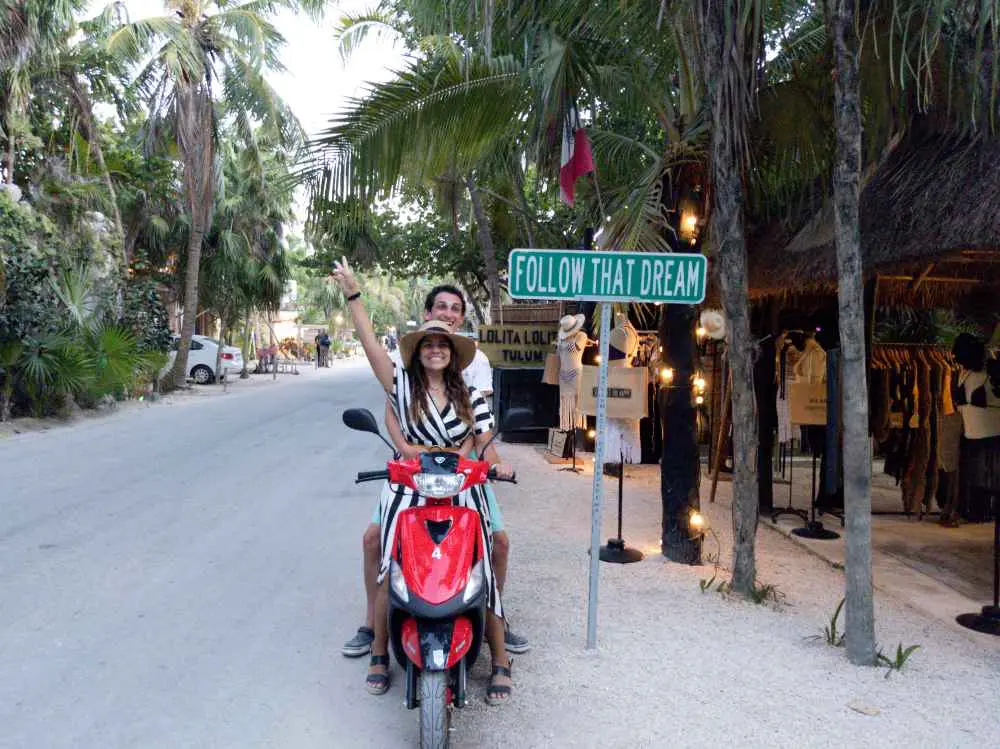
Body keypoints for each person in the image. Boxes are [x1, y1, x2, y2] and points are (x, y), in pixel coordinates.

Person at [332, 259, 515, 704]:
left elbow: (485, 439)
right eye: (428, 344)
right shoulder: (402, 386)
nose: (435, 349)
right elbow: (371, 345)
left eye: (443, 344)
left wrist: (495, 465)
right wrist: (354, 294)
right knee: (389, 559)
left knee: (484, 558)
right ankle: (380, 652)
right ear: (417, 351)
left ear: (454, 352)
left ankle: (500, 656)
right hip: (410, 487)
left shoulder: (470, 394)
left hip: (460, 487)